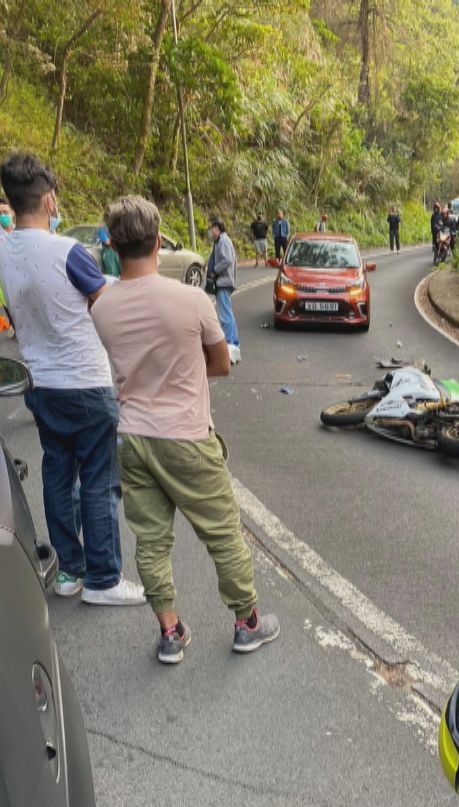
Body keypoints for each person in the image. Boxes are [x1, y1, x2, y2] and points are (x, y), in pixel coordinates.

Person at [90, 195, 281, 665]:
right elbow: (220, 364)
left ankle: (171, 633)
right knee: (222, 535)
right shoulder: (192, 300)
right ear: (158, 242)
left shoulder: (101, 308)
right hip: (188, 436)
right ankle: (247, 624)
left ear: (111, 245)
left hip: (132, 438)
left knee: (151, 541)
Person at [0, 152, 148, 607]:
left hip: (40, 385)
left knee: (58, 477)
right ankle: (104, 579)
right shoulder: (68, 251)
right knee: (98, 480)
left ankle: (69, 573)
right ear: (49, 200)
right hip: (85, 381)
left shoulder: (2, 250)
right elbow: (108, 305)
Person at [205, 220, 240, 364]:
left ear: (217, 228)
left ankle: (230, 343)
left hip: (224, 282)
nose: (209, 231)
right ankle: (234, 345)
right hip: (224, 282)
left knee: (225, 316)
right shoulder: (220, 241)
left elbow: (226, 260)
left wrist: (214, 270)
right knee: (228, 314)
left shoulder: (223, 241)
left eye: (211, 228)